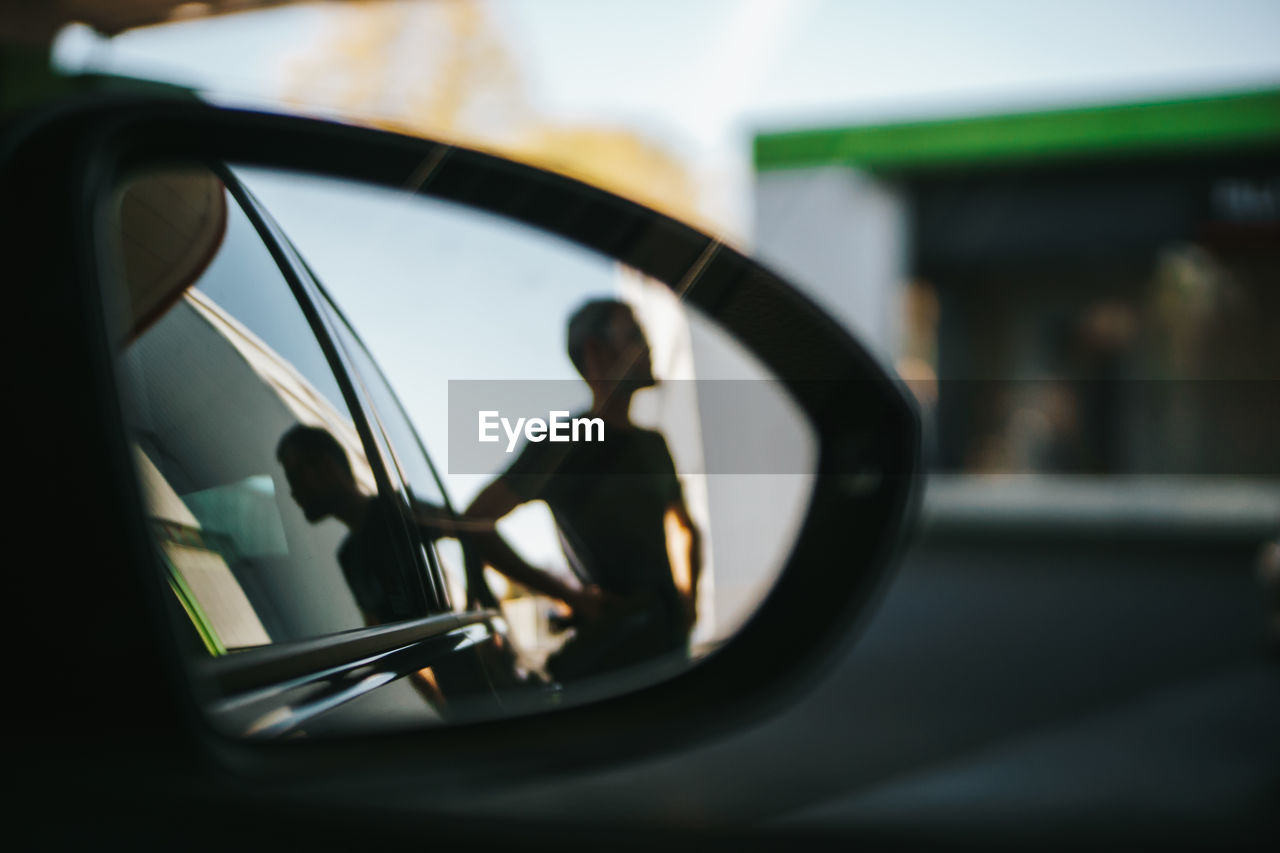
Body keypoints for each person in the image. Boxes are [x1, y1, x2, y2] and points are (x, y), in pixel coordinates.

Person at [464, 299, 702, 682]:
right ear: (596, 351)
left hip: (670, 645)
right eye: (634, 336)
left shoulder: (654, 444)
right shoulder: (563, 442)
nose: (649, 347)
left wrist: (688, 608)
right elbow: (474, 522)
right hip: (615, 658)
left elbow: (684, 527)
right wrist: (571, 596)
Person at [275, 424, 604, 626]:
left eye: (295, 476)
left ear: (326, 467)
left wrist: (479, 599)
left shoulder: (398, 513)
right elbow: (375, 628)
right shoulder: (347, 557)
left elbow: (471, 530)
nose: (292, 491)